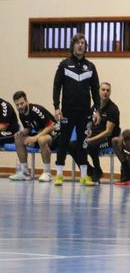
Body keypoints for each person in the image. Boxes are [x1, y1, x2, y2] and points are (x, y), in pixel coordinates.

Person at [53, 33, 100, 186]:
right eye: (78, 43)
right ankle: (59, 174)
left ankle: (84, 176)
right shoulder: (64, 64)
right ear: (73, 45)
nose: (81, 45)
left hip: (84, 112)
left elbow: (95, 89)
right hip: (67, 111)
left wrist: (97, 110)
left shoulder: (91, 66)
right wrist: (56, 107)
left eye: (83, 43)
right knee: (63, 141)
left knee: (83, 143)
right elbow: (57, 86)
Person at [73, 82, 120, 184]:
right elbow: (89, 123)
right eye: (103, 90)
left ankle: (97, 170)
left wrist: (89, 140)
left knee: (89, 145)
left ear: (110, 92)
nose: (105, 92)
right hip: (94, 137)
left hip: (108, 139)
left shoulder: (113, 109)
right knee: (71, 145)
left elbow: (108, 132)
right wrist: (88, 133)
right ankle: (91, 170)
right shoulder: (95, 107)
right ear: (99, 91)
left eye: (108, 90)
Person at [12, 91, 60, 182]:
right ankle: (25, 172)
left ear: (26, 101)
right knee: (18, 139)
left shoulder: (36, 110)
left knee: (41, 139)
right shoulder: (21, 113)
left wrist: (35, 137)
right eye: (17, 105)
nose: (20, 107)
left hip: (55, 135)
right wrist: (22, 132)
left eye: (22, 103)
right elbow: (28, 128)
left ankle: (47, 173)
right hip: (41, 134)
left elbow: (51, 126)